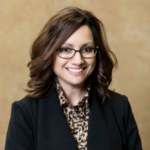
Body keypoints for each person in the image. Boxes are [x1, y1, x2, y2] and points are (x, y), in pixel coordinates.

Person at [5, 6, 142, 150]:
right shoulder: (25, 112)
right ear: (49, 53)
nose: (78, 60)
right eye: (65, 49)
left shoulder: (120, 107)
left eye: (87, 49)